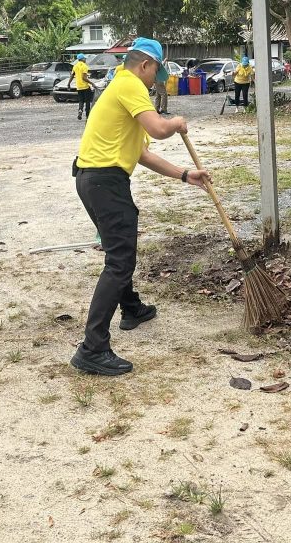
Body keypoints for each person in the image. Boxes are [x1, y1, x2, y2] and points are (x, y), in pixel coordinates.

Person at [71, 38, 210, 376]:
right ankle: (92, 348)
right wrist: (175, 122)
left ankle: (131, 307)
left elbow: (142, 153)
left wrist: (184, 174)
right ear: (144, 65)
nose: (155, 81)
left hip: (93, 179)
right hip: (104, 181)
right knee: (120, 260)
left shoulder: (120, 88)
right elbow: (159, 130)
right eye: (155, 73)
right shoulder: (130, 84)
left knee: (119, 250)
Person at [72, 53, 93, 120]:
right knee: (87, 101)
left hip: (79, 87)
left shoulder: (75, 66)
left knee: (81, 101)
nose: (85, 59)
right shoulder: (84, 66)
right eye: (85, 58)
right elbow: (84, 78)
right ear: (82, 59)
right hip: (85, 87)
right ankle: (87, 115)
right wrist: (92, 83)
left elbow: (72, 75)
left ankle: (80, 110)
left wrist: (68, 84)